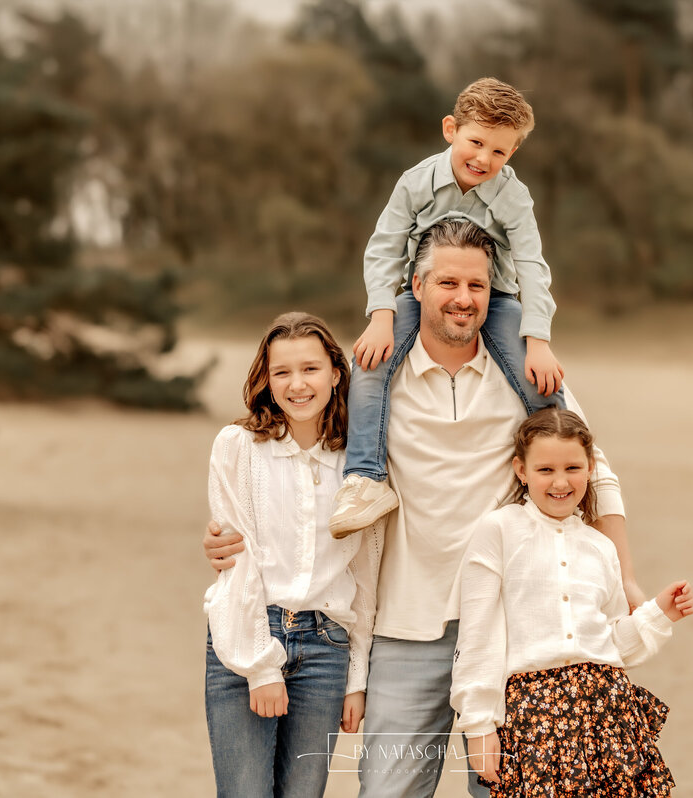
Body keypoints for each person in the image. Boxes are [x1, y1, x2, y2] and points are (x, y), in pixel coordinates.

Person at [206, 219, 645, 798]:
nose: (463, 299)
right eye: (447, 283)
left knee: (510, 790)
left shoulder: (531, 382)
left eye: (478, 286)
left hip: (514, 630)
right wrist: (231, 537)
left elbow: (596, 469)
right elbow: (317, 475)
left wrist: (626, 577)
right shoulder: (375, 387)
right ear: (416, 286)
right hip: (406, 627)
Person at [329, 76, 567, 539]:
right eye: (476, 142)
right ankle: (365, 478)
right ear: (450, 130)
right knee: (369, 362)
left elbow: (533, 267)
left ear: (512, 153)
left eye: (499, 152)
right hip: (421, 295)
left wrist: (538, 340)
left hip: (491, 299)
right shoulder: (415, 183)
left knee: (538, 380)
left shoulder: (513, 197)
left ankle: (561, 474)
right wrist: (381, 315)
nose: (484, 159)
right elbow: (383, 248)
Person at [451, 408, 693, 796]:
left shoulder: (600, 547)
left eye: (572, 468)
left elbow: (612, 644)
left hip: (608, 712)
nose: (560, 482)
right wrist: (480, 727)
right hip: (532, 715)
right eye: (545, 470)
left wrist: (656, 615)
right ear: (521, 470)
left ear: (590, 467)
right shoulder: (499, 530)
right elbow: (477, 638)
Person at [202, 311, 383, 798]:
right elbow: (238, 559)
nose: (297, 384)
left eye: (310, 369)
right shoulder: (237, 448)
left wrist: (357, 677)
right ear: (266, 378)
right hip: (247, 637)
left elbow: (367, 573)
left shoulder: (360, 462)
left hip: (327, 649)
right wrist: (260, 667)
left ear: (336, 374)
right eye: (282, 372)